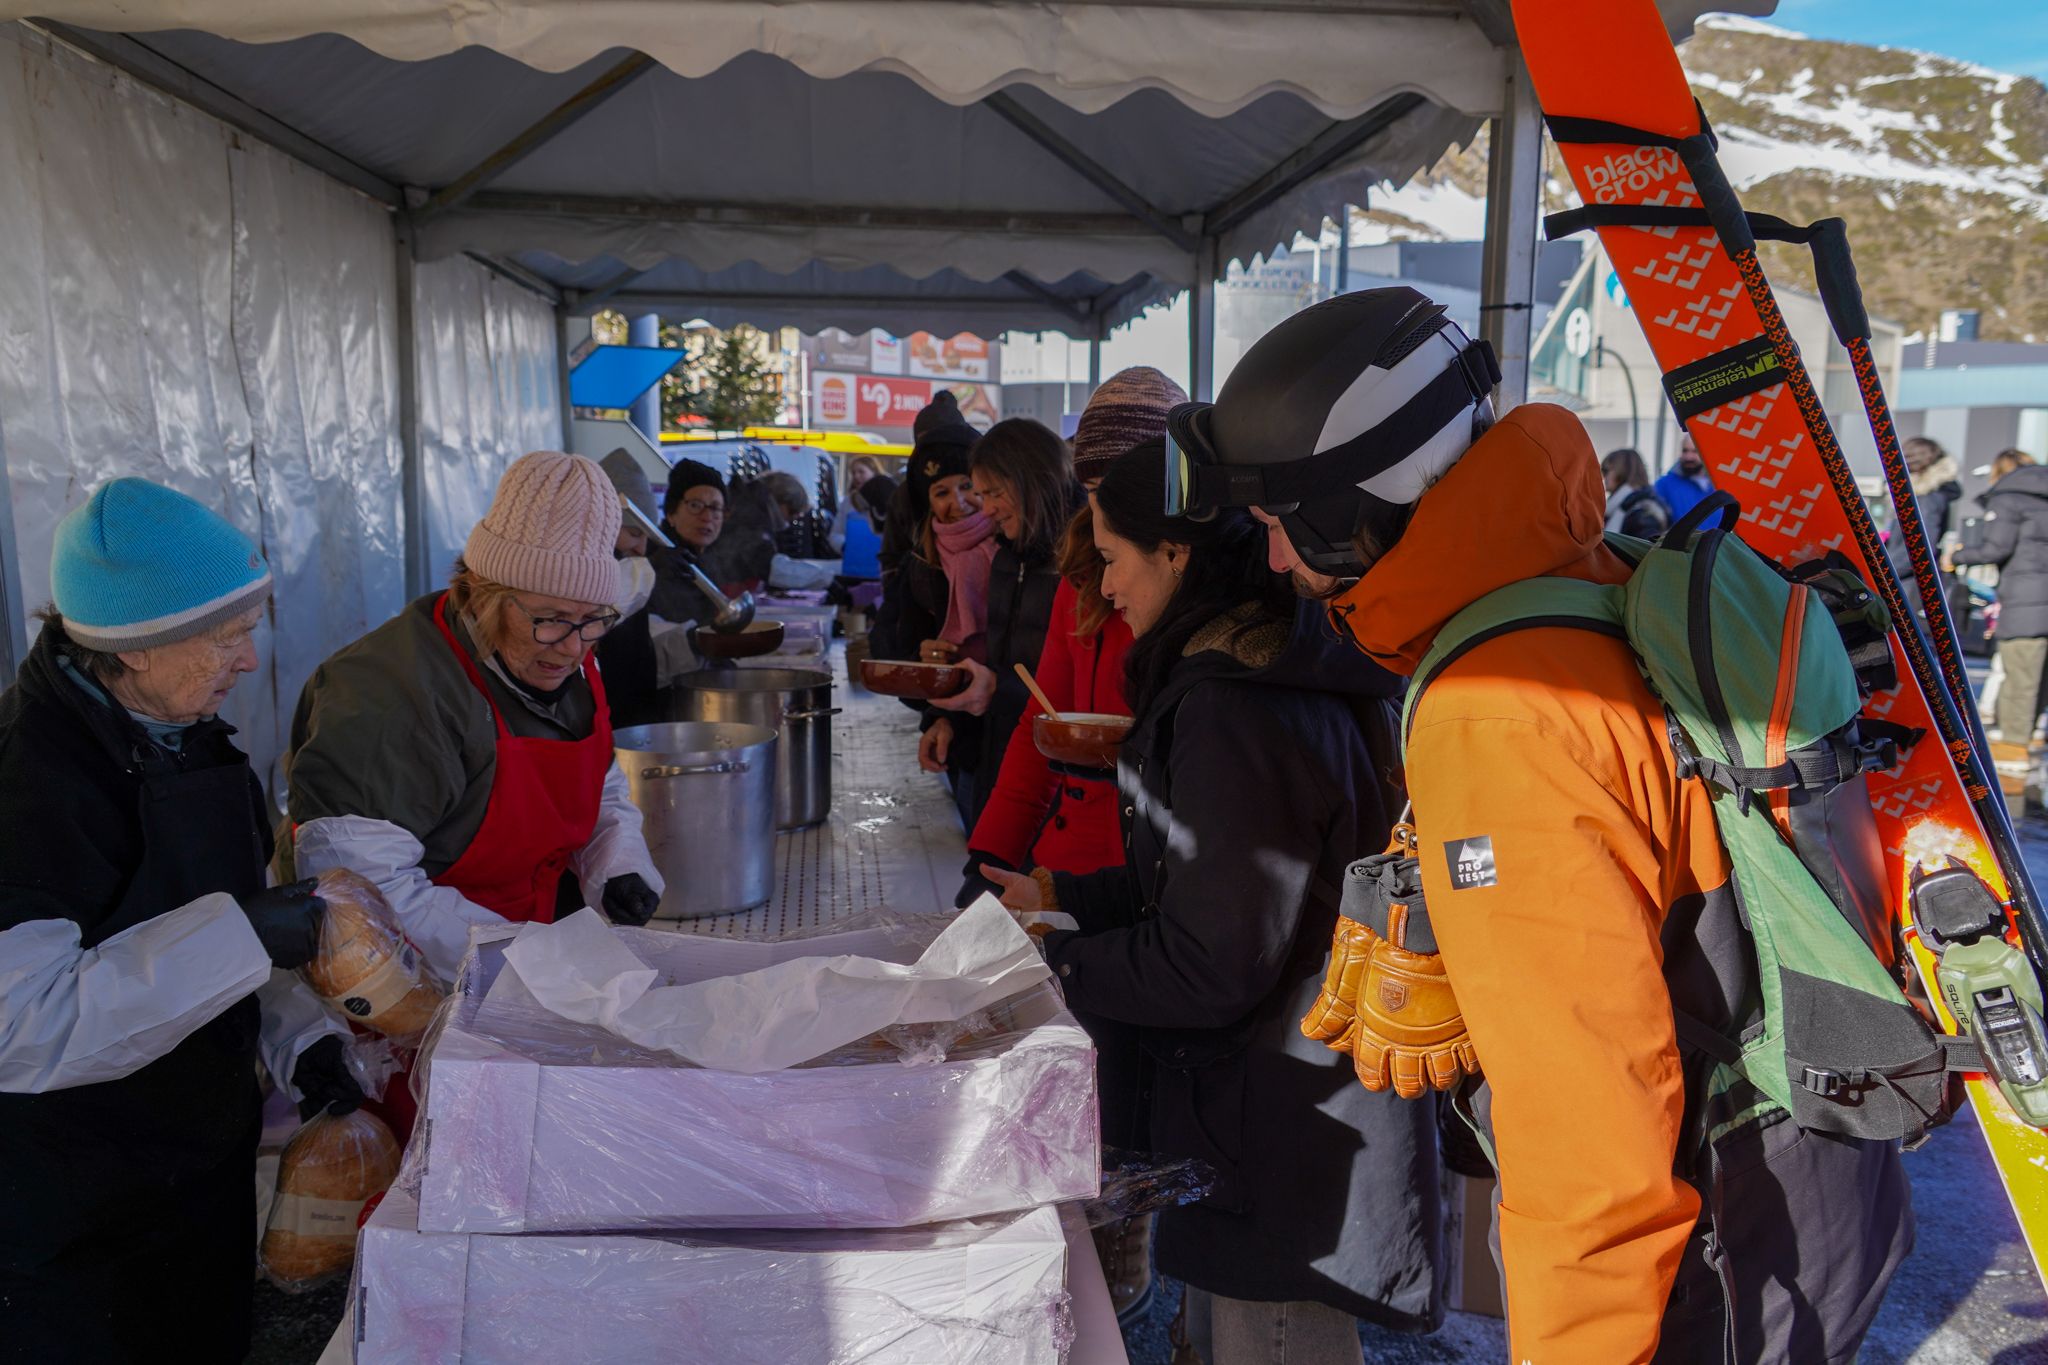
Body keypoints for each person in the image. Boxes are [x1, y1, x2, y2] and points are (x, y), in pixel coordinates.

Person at [1163, 286, 1911, 1362]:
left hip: (1706, 1243)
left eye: (1281, 526)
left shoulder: (1496, 703)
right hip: (1801, 1159)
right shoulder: (1585, 573)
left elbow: (1587, 1129)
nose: (1274, 562)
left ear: (1349, 506)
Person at [979, 444, 1440, 1361]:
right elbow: (1217, 879)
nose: (1104, 588)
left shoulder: (1237, 706)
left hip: (1288, 1117)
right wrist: (1070, 897)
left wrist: (1060, 959)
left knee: (1269, 1332)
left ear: (1176, 554)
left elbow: (1211, 958)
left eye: (1112, 559)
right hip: (1283, 1101)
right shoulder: (1264, 666)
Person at [0, 478, 357, 1364]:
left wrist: (297, 1038)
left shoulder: (190, 736)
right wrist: (244, 935)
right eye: (226, 636)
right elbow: (23, 1025)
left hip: (197, 1178)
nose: (248, 660)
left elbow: (233, 936)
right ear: (138, 650)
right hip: (73, 1217)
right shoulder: (30, 784)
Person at [284, 453, 665, 1133]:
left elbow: (600, 780)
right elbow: (360, 903)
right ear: (483, 590)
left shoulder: (566, 650)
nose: (571, 646)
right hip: (414, 1014)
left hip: (524, 984)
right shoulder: (390, 697)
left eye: (593, 620)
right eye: (548, 619)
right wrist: (535, 961)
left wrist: (617, 862)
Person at [921, 418, 1079, 828]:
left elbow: (1081, 691)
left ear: (1034, 481)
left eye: (994, 493)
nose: (985, 507)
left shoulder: (1081, 564)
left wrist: (998, 691)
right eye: (982, 493)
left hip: (1059, 783)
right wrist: (951, 718)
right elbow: (997, 661)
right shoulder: (1007, 555)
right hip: (1002, 764)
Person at [1954, 449, 2048, 757]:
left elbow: (1995, 548)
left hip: (2026, 599)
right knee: (2038, 674)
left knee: (2018, 674)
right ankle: (2031, 735)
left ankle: (2013, 748)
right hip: (2039, 597)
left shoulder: (2009, 497)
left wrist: (1956, 555)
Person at [595, 449, 665, 729]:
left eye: (647, 537)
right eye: (634, 533)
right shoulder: (588, 576)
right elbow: (601, 618)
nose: (641, 548)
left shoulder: (627, 563)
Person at [1888, 435, 1964, 624]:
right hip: (1907, 582)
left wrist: (1883, 573)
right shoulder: (1925, 496)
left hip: (1907, 585)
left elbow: (1920, 547)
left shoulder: (1927, 498)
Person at [647, 457, 730, 627]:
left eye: (715, 508)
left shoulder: (708, 556)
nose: (706, 517)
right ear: (671, 513)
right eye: (695, 505)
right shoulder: (658, 561)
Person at [1602, 446, 1670, 540]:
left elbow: (1643, 551)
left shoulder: (1643, 510)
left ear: (1622, 472)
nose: (1603, 477)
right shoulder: (1621, 504)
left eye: (1605, 471)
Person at [1654, 428, 1715, 521]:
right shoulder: (1664, 484)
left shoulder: (1719, 485)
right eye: (1685, 451)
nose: (1688, 457)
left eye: (1695, 451)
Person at [829, 455, 885, 553]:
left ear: (874, 472)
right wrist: (845, 546)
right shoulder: (847, 502)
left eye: (861, 472)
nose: (856, 476)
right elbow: (835, 534)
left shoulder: (888, 500)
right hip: (854, 559)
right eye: (853, 472)